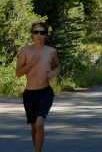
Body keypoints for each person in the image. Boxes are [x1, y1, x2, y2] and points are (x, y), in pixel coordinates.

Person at [16, 22, 60, 152]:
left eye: (42, 33)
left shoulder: (51, 51)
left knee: (40, 123)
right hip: (29, 94)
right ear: (32, 35)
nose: (39, 35)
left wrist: (55, 72)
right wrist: (31, 62)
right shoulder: (25, 51)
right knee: (34, 126)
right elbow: (18, 73)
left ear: (45, 35)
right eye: (36, 32)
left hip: (45, 92)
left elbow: (57, 66)